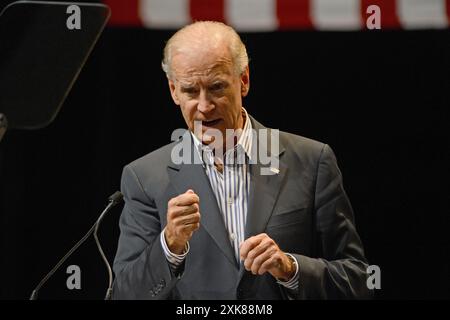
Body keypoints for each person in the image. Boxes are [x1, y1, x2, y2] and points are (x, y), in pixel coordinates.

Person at [112, 21, 372, 300]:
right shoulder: (144, 178)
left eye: (216, 87)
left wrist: (290, 269)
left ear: (244, 80)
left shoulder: (312, 161)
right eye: (189, 91)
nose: (204, 106)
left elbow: (357, 282)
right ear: (173, 90)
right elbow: (125, 294)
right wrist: (170, 245)